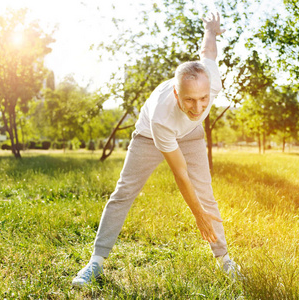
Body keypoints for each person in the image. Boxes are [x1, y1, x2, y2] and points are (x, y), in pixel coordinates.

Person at [72, 12, 240, 287]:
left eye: (203, 99)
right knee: (123, 192)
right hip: (149, 136)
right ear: (176, 94)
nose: (198, 108)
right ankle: (95, 262)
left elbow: (207, 50)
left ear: (210, 87)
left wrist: (211, 29)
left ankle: (224, 260)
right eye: (189, 100)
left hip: (191, 136)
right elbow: (181, 174)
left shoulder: (211, 79)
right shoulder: (162, 116)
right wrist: (197, 217)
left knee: (207, 196)